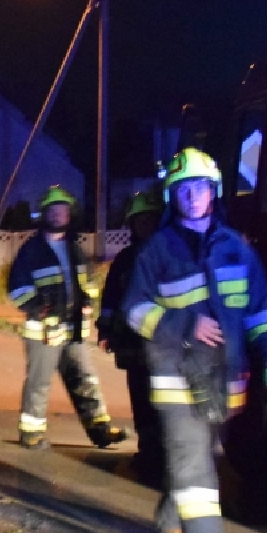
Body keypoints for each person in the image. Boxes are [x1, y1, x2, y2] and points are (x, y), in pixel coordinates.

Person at [120, 149, 267, 533]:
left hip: (226, 381)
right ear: (172, 196)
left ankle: (170, 517)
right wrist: (185, 326)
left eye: (199, 187)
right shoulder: (157, 251)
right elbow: (135, 310)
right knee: (194, 463)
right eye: (183, 189)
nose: (192, 196)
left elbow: (261, 314)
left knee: (198, 456)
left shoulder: (238, 250)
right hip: (176, 378)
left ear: (213, 192)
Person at [7, 185, 124, 450]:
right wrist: (39, 308)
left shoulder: (74, 248)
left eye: (63, 210)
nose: (59, 214)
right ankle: (31, 433)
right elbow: (17, 288)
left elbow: (88, 282)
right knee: (39, 383)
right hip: (44, 331)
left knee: (86, 379)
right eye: (54, 210)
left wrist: (89, 301)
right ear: (45, 214)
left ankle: (101, 430)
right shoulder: (31, 250)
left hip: (73, 329)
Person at [100, 189, 165, 485]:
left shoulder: (170, 257)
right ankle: (148, 452)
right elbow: (110, 299)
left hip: (164, 346)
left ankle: (163, 455)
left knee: (164, 402)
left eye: (152, 220)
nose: (146, 225)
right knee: (141, 402)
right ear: (132, 225)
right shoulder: (125, 260)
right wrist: (105, 330)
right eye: (141, 221)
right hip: (134, 345)